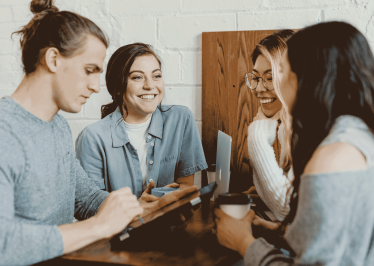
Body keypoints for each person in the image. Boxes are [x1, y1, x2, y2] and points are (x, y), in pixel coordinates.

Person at [0, 1, 160, 265]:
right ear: (53, 59)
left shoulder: (58, 126)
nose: (97, 87)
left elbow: (84, 198)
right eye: (89, 70)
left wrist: (139, 209)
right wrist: (99, 227)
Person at [214, 21, 374, 265]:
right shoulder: (356, 135)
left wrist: (243, 242)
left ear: (310, 79)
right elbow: (336, 238)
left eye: (284, 71)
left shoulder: (333, 157)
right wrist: (278, 232)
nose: (271, 85)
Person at [75, 43, 207, 200]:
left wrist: (174, 194)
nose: (150, 85)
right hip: (122, 225)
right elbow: (90, 204)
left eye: (156, 76)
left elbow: (186, 186)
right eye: (137, 77)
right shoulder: (92, 137)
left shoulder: (181, 119)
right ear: (118, 87)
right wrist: (140, 208)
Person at [244, 30, 294, 221]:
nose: (259, 88)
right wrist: (265, 193)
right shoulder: (286, 125)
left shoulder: (310, 128)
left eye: (270, 77)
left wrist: (257, 134)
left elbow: (287, 210)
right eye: (255, 77)